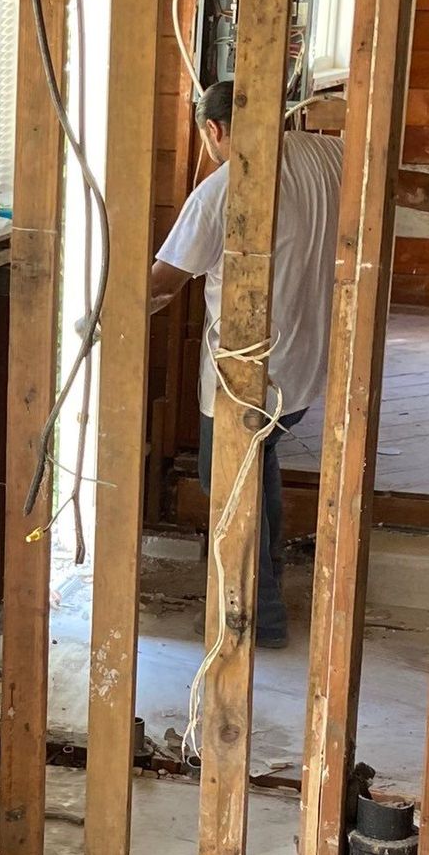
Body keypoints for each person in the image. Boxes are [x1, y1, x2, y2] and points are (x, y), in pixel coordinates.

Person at [149, 78, 343, 648]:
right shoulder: (327, 154)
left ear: (214, 130)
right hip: (305, 367)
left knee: (228, 483)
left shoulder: (222, 189)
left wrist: (102, 312)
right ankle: (268, 596)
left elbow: (162, 284)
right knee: (260, 468)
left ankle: (253, 616)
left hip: (247, 380)